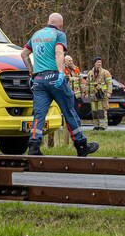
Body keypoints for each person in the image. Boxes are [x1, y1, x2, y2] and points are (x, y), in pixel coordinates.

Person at [20, 13, 97, 157]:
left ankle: (34, 146)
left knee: (39, 114)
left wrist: (31, 73)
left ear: (48, 21)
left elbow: (24, 54)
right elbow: (59, 52)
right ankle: (81, 145)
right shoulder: (59, 34)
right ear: (60, 24)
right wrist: (61, 73)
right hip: (54, 78)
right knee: (69, 111)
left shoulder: (36, 35)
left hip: (38, 80)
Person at [86, 56, 113, 131]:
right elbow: (87, 83)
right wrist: (86, 93)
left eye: (100, 62)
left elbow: (109, 83)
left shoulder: (105, 72)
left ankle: (103, 126)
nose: (99, 63)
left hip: (102, 95)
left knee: (101, 111)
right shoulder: (90, 73)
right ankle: (96, 125)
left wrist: (109, 92)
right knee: (94, 111)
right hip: (93, 95)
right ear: (94, 63)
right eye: (98, 62)